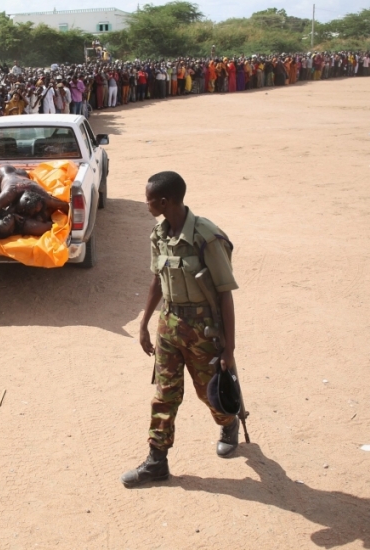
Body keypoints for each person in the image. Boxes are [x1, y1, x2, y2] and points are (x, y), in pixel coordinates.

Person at [121, 171, 240, 488]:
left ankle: (229, 422)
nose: (146, 203)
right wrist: (145, 323)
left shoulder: (205, 237)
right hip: (169, 325)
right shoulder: (158, 235)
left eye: (148, 199)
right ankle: (156, 462)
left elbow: (225, 294)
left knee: (209, 393)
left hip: (203, 329)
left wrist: (228, 349)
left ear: (163, 201)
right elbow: (157, 282)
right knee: (164, 395)